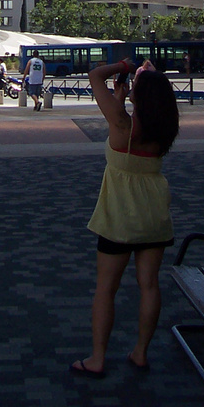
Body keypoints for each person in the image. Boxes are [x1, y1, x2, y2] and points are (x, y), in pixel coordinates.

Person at [70, 58, 179, 379]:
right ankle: (141, 353)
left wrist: (124, 65)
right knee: (149, 286)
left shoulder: (123, 126)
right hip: (154, 214)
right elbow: (128, 118)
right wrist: (133, 87)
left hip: (119, 217)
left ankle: (98, 358)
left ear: (140, 96)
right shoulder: (164, 128)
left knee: (106, 289)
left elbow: (94, 76)